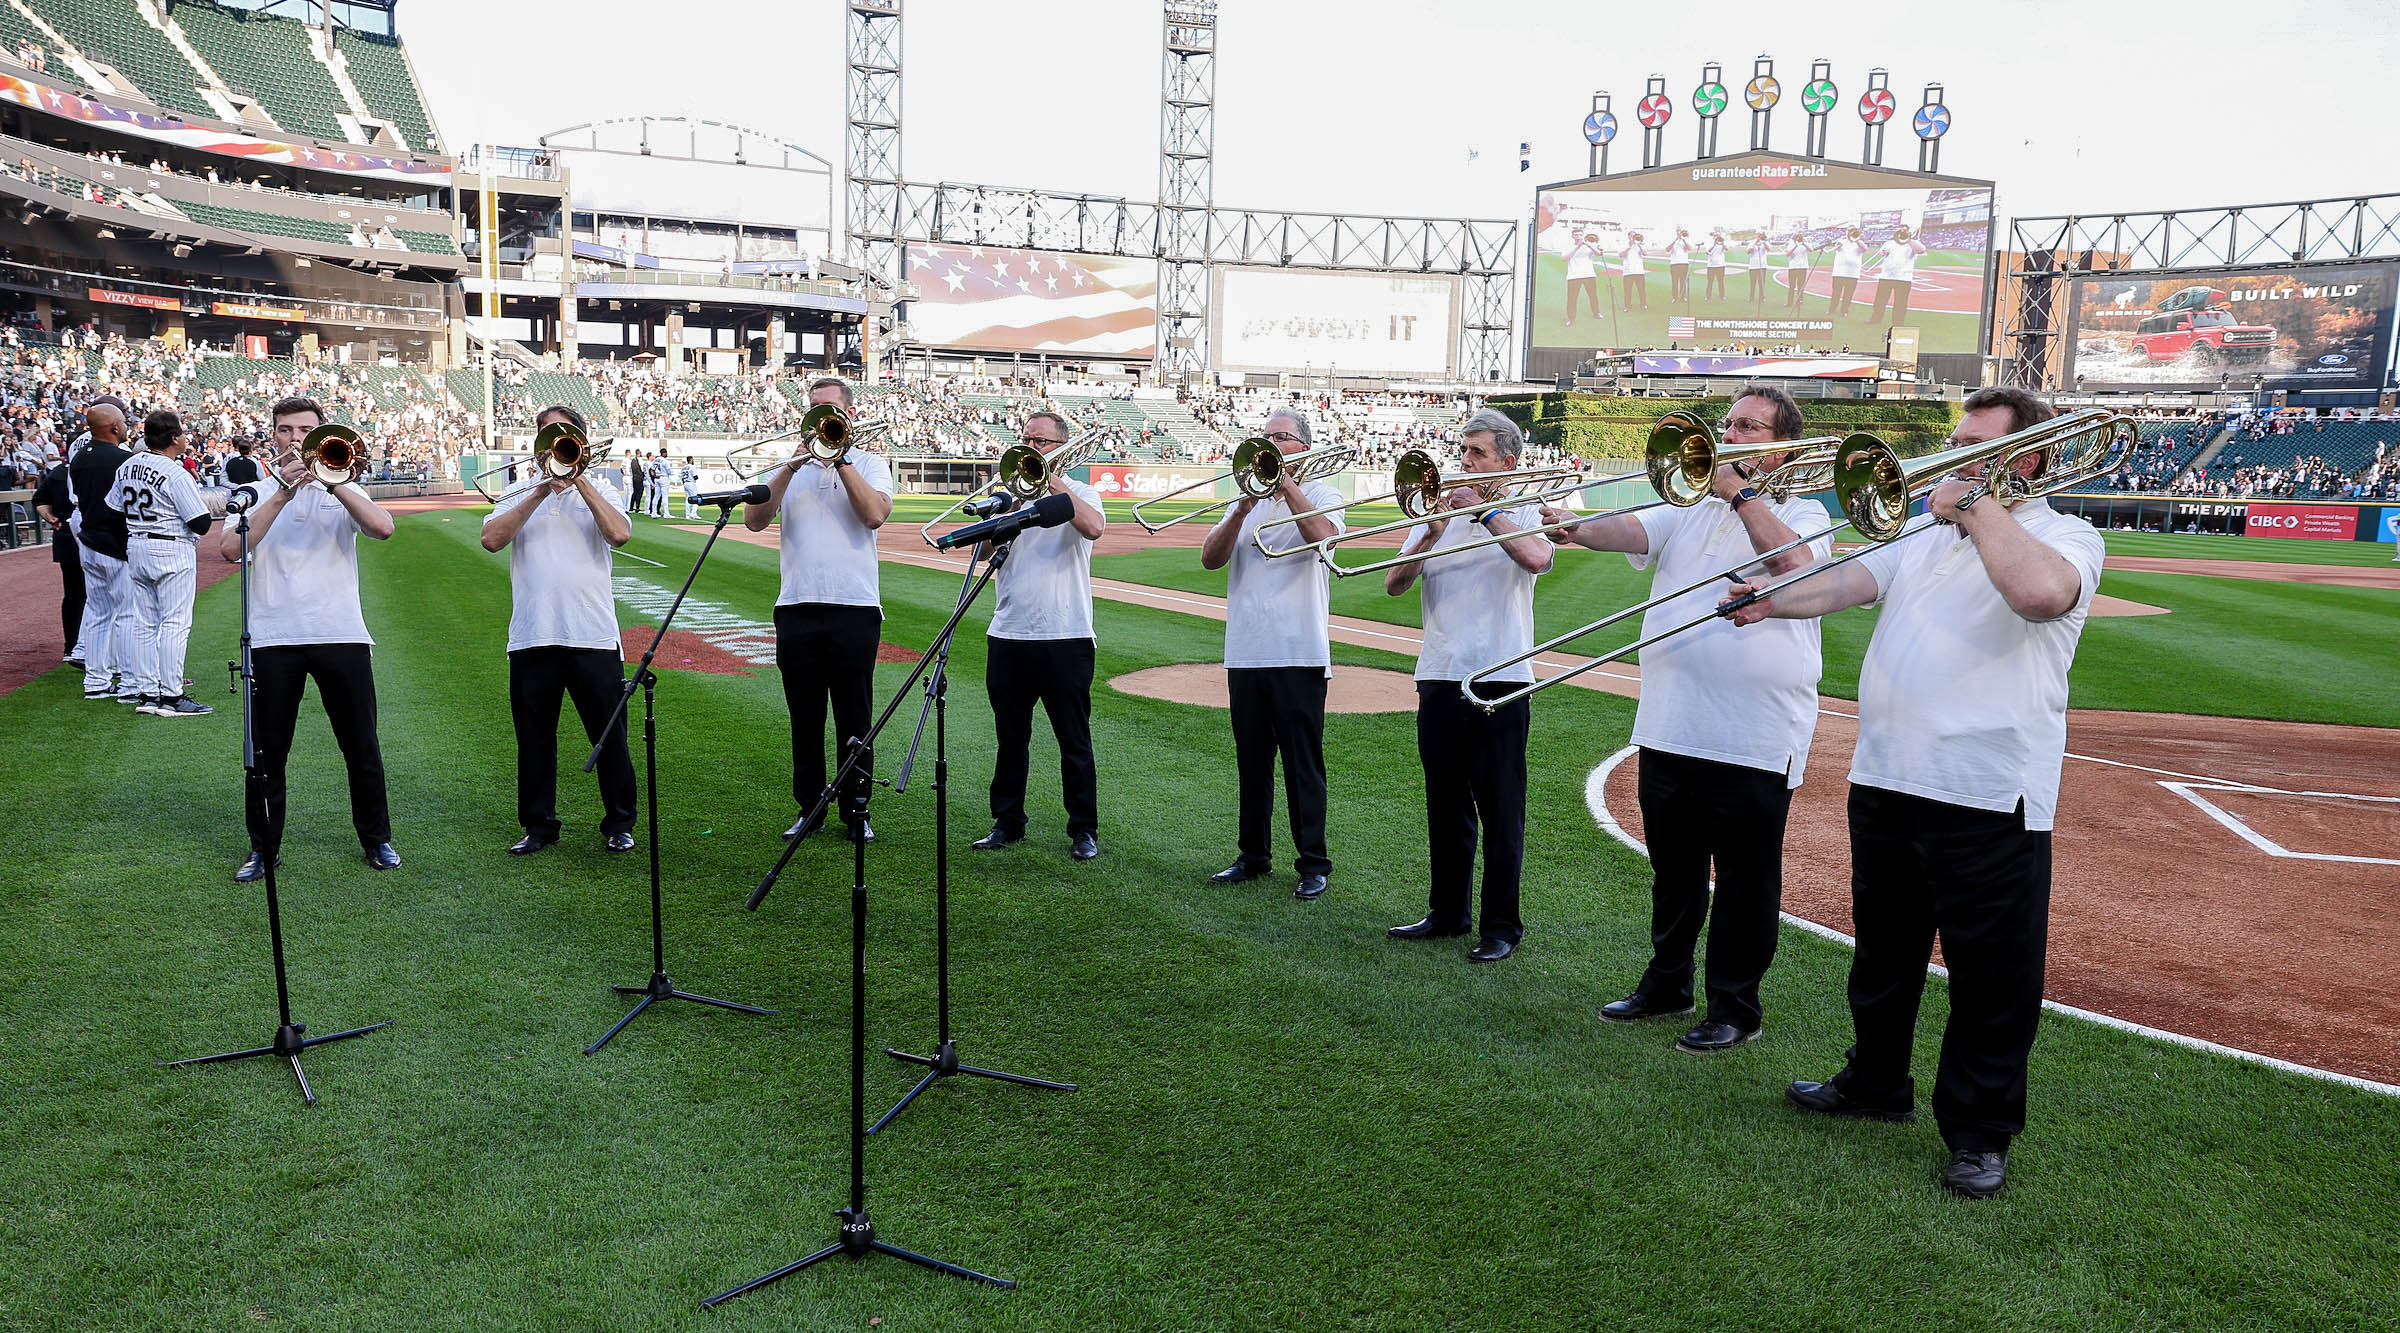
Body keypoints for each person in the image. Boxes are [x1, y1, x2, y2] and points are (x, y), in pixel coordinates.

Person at [1722, 386, 2104, 1200]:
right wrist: (1768, 603)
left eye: (1976, 445)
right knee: (1884, 955)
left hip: (1989, 793)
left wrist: (1974, 504)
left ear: (2027, 459)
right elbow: (1846, 582)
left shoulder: (2066, 535)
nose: (1954, 456)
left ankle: (1979, 1131)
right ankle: (1875, 1081)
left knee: (1990, 977)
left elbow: (2039, 595)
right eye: (1956, 443)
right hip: (1887, 777)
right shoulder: (1921, 534)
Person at [1540, 385, 1830, 1051]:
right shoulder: (1691, 505)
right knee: (1674, 872)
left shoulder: (1808, 512)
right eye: (1728, 423)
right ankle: (1668, 981)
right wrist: (1575, 526)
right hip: (1671, 722)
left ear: (1783, 447)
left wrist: (1738, 492)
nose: (1728, 435)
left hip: (1755, 734)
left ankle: (1735, 1006)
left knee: (1745, 880)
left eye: (1748, 426)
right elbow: (1632, 530)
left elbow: (1794, 565)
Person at [1380, 408, 1551, 962]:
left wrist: (1485, 510)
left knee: (1501, 809)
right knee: (1445, 804)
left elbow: (1536, 557)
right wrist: (1429, 532)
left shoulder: (1525, 507)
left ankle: (1502, 926)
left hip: (1501, 676)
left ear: (1508, 461)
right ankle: (1447, 913)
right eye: (1463, 451)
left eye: (1477, 452)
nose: (1464, 461)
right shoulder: (1435, 510)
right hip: (1438, 673)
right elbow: (1393, 584)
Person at [214, 397, 401, 881]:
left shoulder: (344, 486)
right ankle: (263, 848)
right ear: (273, 435)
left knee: (361, 746)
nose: (294, 439)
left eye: (304, 430)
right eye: (285, 430)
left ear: (320, 435)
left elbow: (383, 528)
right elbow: (230, 549)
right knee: (266, 753)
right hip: (273, 636)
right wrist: (282, 492)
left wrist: (332, 483)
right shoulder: (255, 491)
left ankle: (377, 839)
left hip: (340, 633)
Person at [479, 405, 638, 856]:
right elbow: (492, 540)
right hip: (533, 635)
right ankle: (539, 826)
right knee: (534, 740)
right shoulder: (518, 490)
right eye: (547, 437)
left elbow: (619, 535)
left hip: (593, 635)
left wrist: (579, 480)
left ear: (581, 443)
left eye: (564, 437)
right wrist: (540, 490)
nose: (555, 446)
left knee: (609, 737)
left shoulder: (602, 487)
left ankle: (619, 823)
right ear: (536, 446)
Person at [1199, 407, 1343, 901]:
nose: (1270, 446)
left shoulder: (1323, 493)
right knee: (1252, 763)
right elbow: (1210, 558)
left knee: (1304, 765)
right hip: (1246, 651)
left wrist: (1287, 486)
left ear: (1304, 446)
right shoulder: (1246, 499)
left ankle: (1313, 862)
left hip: (1299, 651)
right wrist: (1240, 510)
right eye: (1266, 438)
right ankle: (1253, 855)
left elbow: (1324, 537)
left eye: (1281, 437)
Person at [745, 376, 894, 844]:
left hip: (855, 607)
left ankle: (857, 810)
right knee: (805, 718)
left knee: (855, 718)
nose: (820, 417)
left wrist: (841, 457)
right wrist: (791, 464)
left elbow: (873, 515)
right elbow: (754, 520)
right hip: (797, 606)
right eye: (813, 408)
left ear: (849, 415)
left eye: (830, 410)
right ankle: (809, 808)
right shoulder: (790, 467)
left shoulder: (870, 463)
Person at [970, 410, 1106, 861]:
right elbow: (983, 552)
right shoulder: (1004, 495)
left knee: (1074, 740)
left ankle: (1083, 829)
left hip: (1066, 635)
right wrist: (1008, 506)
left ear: (1061, 448)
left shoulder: (1081, 493)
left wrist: (1050, 481)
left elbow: (1093, 527)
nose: (1031, 447)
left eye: (1041, 442)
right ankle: (1007, 822)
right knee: (1010, 739)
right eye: (1027, 439)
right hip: (1009, 633)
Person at [109, 411, 215, 716]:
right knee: (174, 623)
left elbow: (113, 509)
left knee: (144, 623)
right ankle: (171, 696)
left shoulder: (127, 465)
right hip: (171, 546)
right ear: (173, 438)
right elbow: (201, 523)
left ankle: (147, 695)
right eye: (181, 432)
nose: (184, 437)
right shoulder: (175, 472)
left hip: (137, 544)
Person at [67, 401, 135, 703]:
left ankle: (95, 681)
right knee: (127, 614)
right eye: (123, 421)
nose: (126, 425)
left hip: (89, 540)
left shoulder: (80, 457)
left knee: (97, 613)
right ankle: (131, 680)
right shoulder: (123, 459)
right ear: (114, 427)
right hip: (115, 543)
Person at [32, 450, 86, 664]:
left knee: (74, 594)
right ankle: (85, 647)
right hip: (92, 536)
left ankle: (72, 646)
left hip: (65, 536)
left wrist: (51, 518)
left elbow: (39, 500)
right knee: (95, 595)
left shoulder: (58, 472)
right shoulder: (95, 467)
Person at [1867, 224, 1928, 326]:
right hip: (1886, 276)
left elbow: (1921, 250)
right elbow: (1882, 253)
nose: (1902, 233)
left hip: (1904, 278)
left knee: (1901, 303)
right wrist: (1884, 252)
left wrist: (1909, 239)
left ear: (1908, 232)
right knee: (1880, 301)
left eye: (1904, 231)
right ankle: (1875, 319)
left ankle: (1898, 323)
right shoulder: (1889, 243)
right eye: (1900, 230)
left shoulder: (1913, 243)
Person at [1562, 230, 1602, 328]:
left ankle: (1596, 313)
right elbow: (1564, 259)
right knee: (1572, 298)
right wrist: (1577, 247)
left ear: (1583, 236)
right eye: (1576, 235)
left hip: (1589, 274)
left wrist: (1588, 245)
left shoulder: (1589, 245)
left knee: (1593, 296)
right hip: (1574, 276)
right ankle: (1571, 318)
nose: (1578, 236)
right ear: (1572, 236)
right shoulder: (1568, 246)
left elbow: (1598, 254)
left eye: (1580, 235)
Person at [1828, 228, 1866, 317]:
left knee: (1848, 294)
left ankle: (1844, 311)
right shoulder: (1842, 241)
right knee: (1836, 293)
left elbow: (1864, 249)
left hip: (1853, 273)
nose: (1852, 234)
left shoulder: (1860, 243)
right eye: (1850, 232)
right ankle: (1831, 309)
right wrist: (1839, 244)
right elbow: (1836, 247)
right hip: (1839, 272)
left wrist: (1857, 240)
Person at [1617, 232, 1650, 312]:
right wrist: (1629, 247)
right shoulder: (1624, 244)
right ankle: (1627, 306)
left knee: (1641, 290)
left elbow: (1645, 254)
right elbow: (1621, 255)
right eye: (1632, 236)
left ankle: (1643, 304)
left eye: (1634, 236)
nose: (1633, 237)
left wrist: (1638, 244)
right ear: (1628, 236)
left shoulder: (1640, 244)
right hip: (1628, 272)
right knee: (1627, 291)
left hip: (1639, 271)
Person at [1784, 234, 1814, 310]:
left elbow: (1811, 250)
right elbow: (1787, 254)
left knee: (1800, 285)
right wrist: (1795, 246)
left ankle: (1799, 301)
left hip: (1802, 267)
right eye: (1797, 237)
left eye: (1800, 237)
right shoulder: (1791, 243)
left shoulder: (1806, 243)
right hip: (1793, 267)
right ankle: (1789, 302)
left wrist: (1803, 244)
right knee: (1792, 286)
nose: (1799, 239)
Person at [1666, 228, 1693, 305]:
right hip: (1674, 264)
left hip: (1684, 263)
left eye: (1681, 232)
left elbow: (1690, 248)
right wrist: (1675, 240)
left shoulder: (1686, 240)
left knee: (1683, 282)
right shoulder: (1672, 240)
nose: (1680, 233)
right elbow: (1667, 249)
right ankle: (1674, 297)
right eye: (1678, 232)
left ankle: (1682, 297)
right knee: (1674, 282)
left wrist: (1683, 240)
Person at [1703, 231, 1729, 302]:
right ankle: (1708, 296)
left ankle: (1722, 296)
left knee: (1721, 281)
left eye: (1717, 235)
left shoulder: (1722, 243)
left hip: (1721, 265)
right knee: (1710, 282)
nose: (1716, 237)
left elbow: (1726, 249)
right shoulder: (1709, 243)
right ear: (1713, 237)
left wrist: (1722, 243)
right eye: (1715, 235)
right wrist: (1714, 244)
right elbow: (1707, 252)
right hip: (1711, 265)